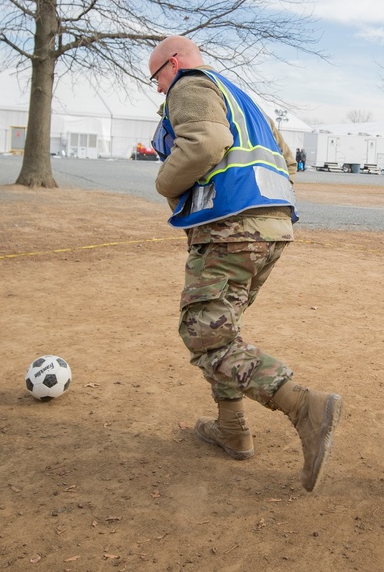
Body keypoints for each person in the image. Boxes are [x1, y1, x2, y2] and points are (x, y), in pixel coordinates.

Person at [148, 35, 342, 492]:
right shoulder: (244, 99)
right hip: (272, 226)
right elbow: (286, 160)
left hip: (230, 228)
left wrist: (164, 184)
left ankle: (303, 406)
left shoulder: (189, 85)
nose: (157, 89)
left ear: (172, 64)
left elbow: (206, 141)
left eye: (155, 77)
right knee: (223, 328)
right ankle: (232, 427)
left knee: (205, 336)